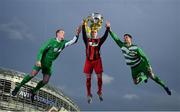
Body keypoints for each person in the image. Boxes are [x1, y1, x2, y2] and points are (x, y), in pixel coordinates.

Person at [12, 26, 82, 102]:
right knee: (32, 75)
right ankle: (18, 87)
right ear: (57, 34)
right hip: (41, 61)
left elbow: (73, 41)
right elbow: (41, 50)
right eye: (62, 33)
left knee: (45, 81)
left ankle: (34, 91)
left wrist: (77, 33)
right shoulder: (51, 41)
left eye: (64, 33)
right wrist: (38, 60)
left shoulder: (64, 43)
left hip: (48, 64)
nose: (63, 35)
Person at [109, 27, 171, 95]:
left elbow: (144, 57)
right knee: (135, 82)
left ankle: (165, 86)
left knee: (152, 76)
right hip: (133, 68)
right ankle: (144, 77)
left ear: (130, 39)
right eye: (124, 37)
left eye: (126, 37)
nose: (124, 38)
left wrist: (149, 66)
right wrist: (109, 30)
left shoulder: (136, 48)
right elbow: (115, 38)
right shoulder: (122, 46)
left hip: (141, 64)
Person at [81, 20, 110, 103]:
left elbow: (105, 36)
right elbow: (83, 34)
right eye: (92, 32)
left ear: (97, 33)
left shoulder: (99, 40)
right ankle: (88, 94)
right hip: (88, 61)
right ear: (91, 33)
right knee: (88, 79)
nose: (93, 33)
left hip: (97, 60)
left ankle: (99, 91)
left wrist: (107, 28)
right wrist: (83, 25)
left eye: (95, 32)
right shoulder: (87, 40)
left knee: (99, 78)